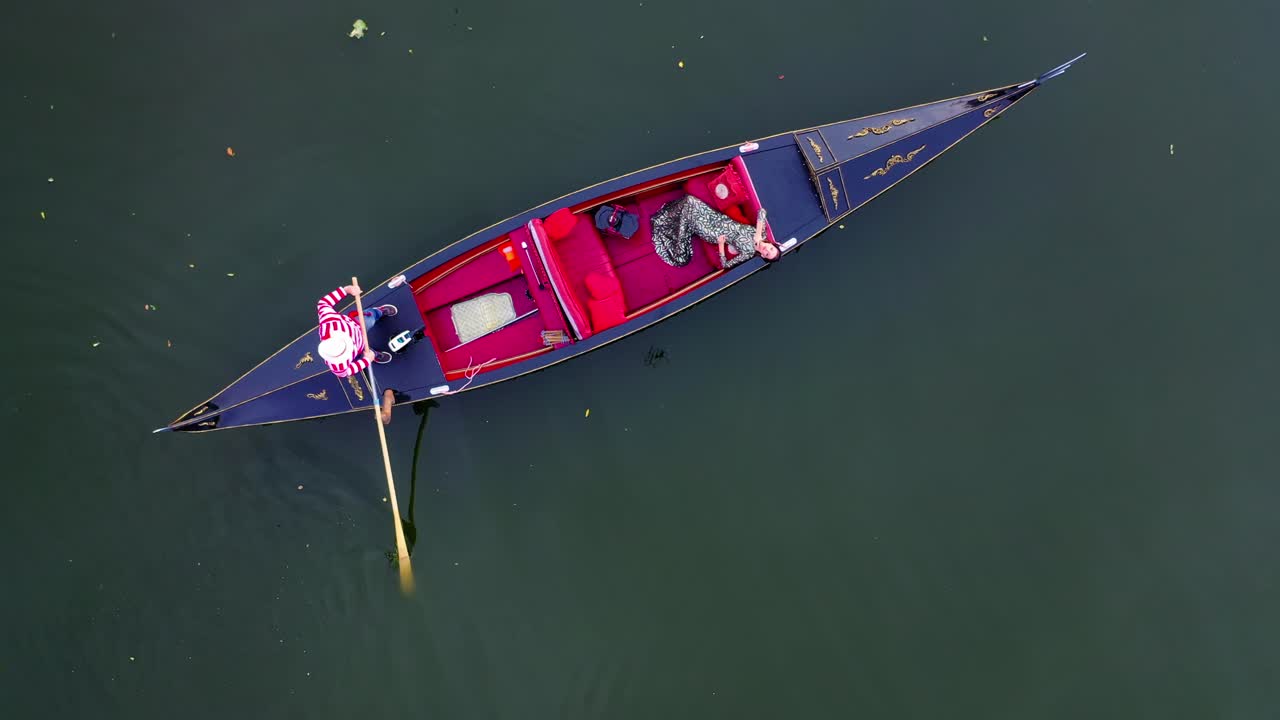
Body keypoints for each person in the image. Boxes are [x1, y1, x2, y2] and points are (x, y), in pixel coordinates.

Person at [650, 196, 779, 269]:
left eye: (767, 254)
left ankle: (663, 221)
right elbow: (762, 211)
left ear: (763, 255)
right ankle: (668, 217)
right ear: (771, 244)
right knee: (690, 200)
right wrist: (757, 233)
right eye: (771, 249)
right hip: (718, 218)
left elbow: (726, 265)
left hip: (712, 233)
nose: (766, 249)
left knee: (688, 214)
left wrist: (721, 245)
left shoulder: (748, 253)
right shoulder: (762, 233)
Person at [315, 283, 398, 377]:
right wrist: (366, 361)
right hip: (359, 349)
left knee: (370, 318)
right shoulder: (337, 366)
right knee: (367, 354)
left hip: (357, 325)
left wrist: (346, 290)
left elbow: (323, 303)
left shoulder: (329, 321)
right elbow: (345, 373)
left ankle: (379, 311)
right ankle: (372, 355)